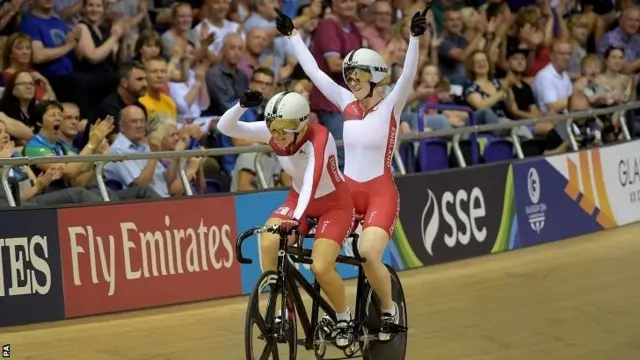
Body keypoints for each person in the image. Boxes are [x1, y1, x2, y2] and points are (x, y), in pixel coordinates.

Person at [276, 5, 427, 341]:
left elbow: (409, 74)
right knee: (322, 258)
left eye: (358, 77)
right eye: (350, 77)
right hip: (346, 193)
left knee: (369, 252)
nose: (352, 82)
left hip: (379, 192)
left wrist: (414, 38)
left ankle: (389, 308)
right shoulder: (345, 102)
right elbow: (314, 71)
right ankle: (342, 318)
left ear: (375, 78)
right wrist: (293, 36)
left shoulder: (391, 104)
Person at [217, 89, 357, 348]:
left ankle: (343, 317)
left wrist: (296, 220)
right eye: (274, 128)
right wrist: (241, 104)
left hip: (334, 205)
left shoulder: (320, 138)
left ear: (303, 123)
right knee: (269, 241)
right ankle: (285, 308)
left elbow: (311, 184)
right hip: (298, 198)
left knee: (321, 266)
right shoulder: (277, 129)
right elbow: (225, 127)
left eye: (285, 129)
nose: (278, 135)